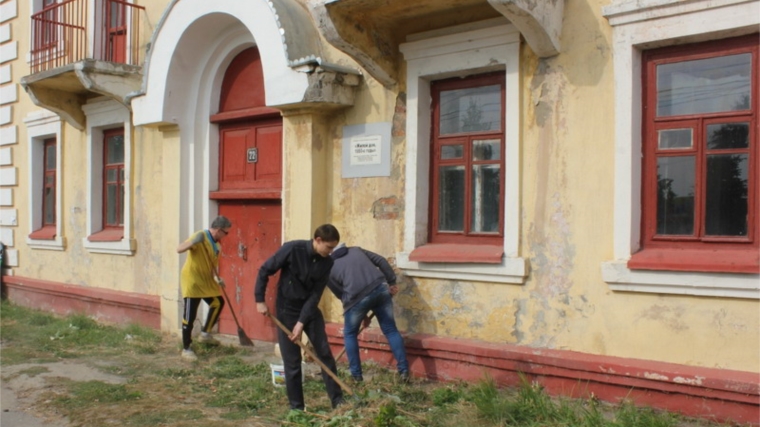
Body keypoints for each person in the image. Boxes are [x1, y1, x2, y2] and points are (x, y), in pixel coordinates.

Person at [255, 224, 343, 411]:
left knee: (325, 354)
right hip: (287, 310)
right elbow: (265, 270)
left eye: (334, 248)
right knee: (292, 361)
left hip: (309, 311)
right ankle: (297, 408)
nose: (331, 251)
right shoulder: (292, 249)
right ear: (317, 240)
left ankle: (338, 402)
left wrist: (301, 322)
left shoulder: (327, 262)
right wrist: (259, 300)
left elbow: (315, 295)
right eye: (328, 247)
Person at [328, 243, 409, 382]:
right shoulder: (356, 250)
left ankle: (356, 376)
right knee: (390, 330)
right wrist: (391, 282)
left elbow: (341, 294)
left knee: (349, 333)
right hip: (381, 289)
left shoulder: (327, 267)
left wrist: (361, 314)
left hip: (356, 299)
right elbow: (381, 261)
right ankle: (404, 371)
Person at [177, 215, 232, 361]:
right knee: (190, 315)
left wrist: (217, 278)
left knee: (218, 302)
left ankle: (205, 334)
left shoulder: (217, 245)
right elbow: (179, 248)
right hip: (193, 280)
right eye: (226, 233)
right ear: (219, 230)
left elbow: (212, 267)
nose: (226, 236)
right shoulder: (200, 236)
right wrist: (193, 242)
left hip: (206, 280)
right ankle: (186, 348)